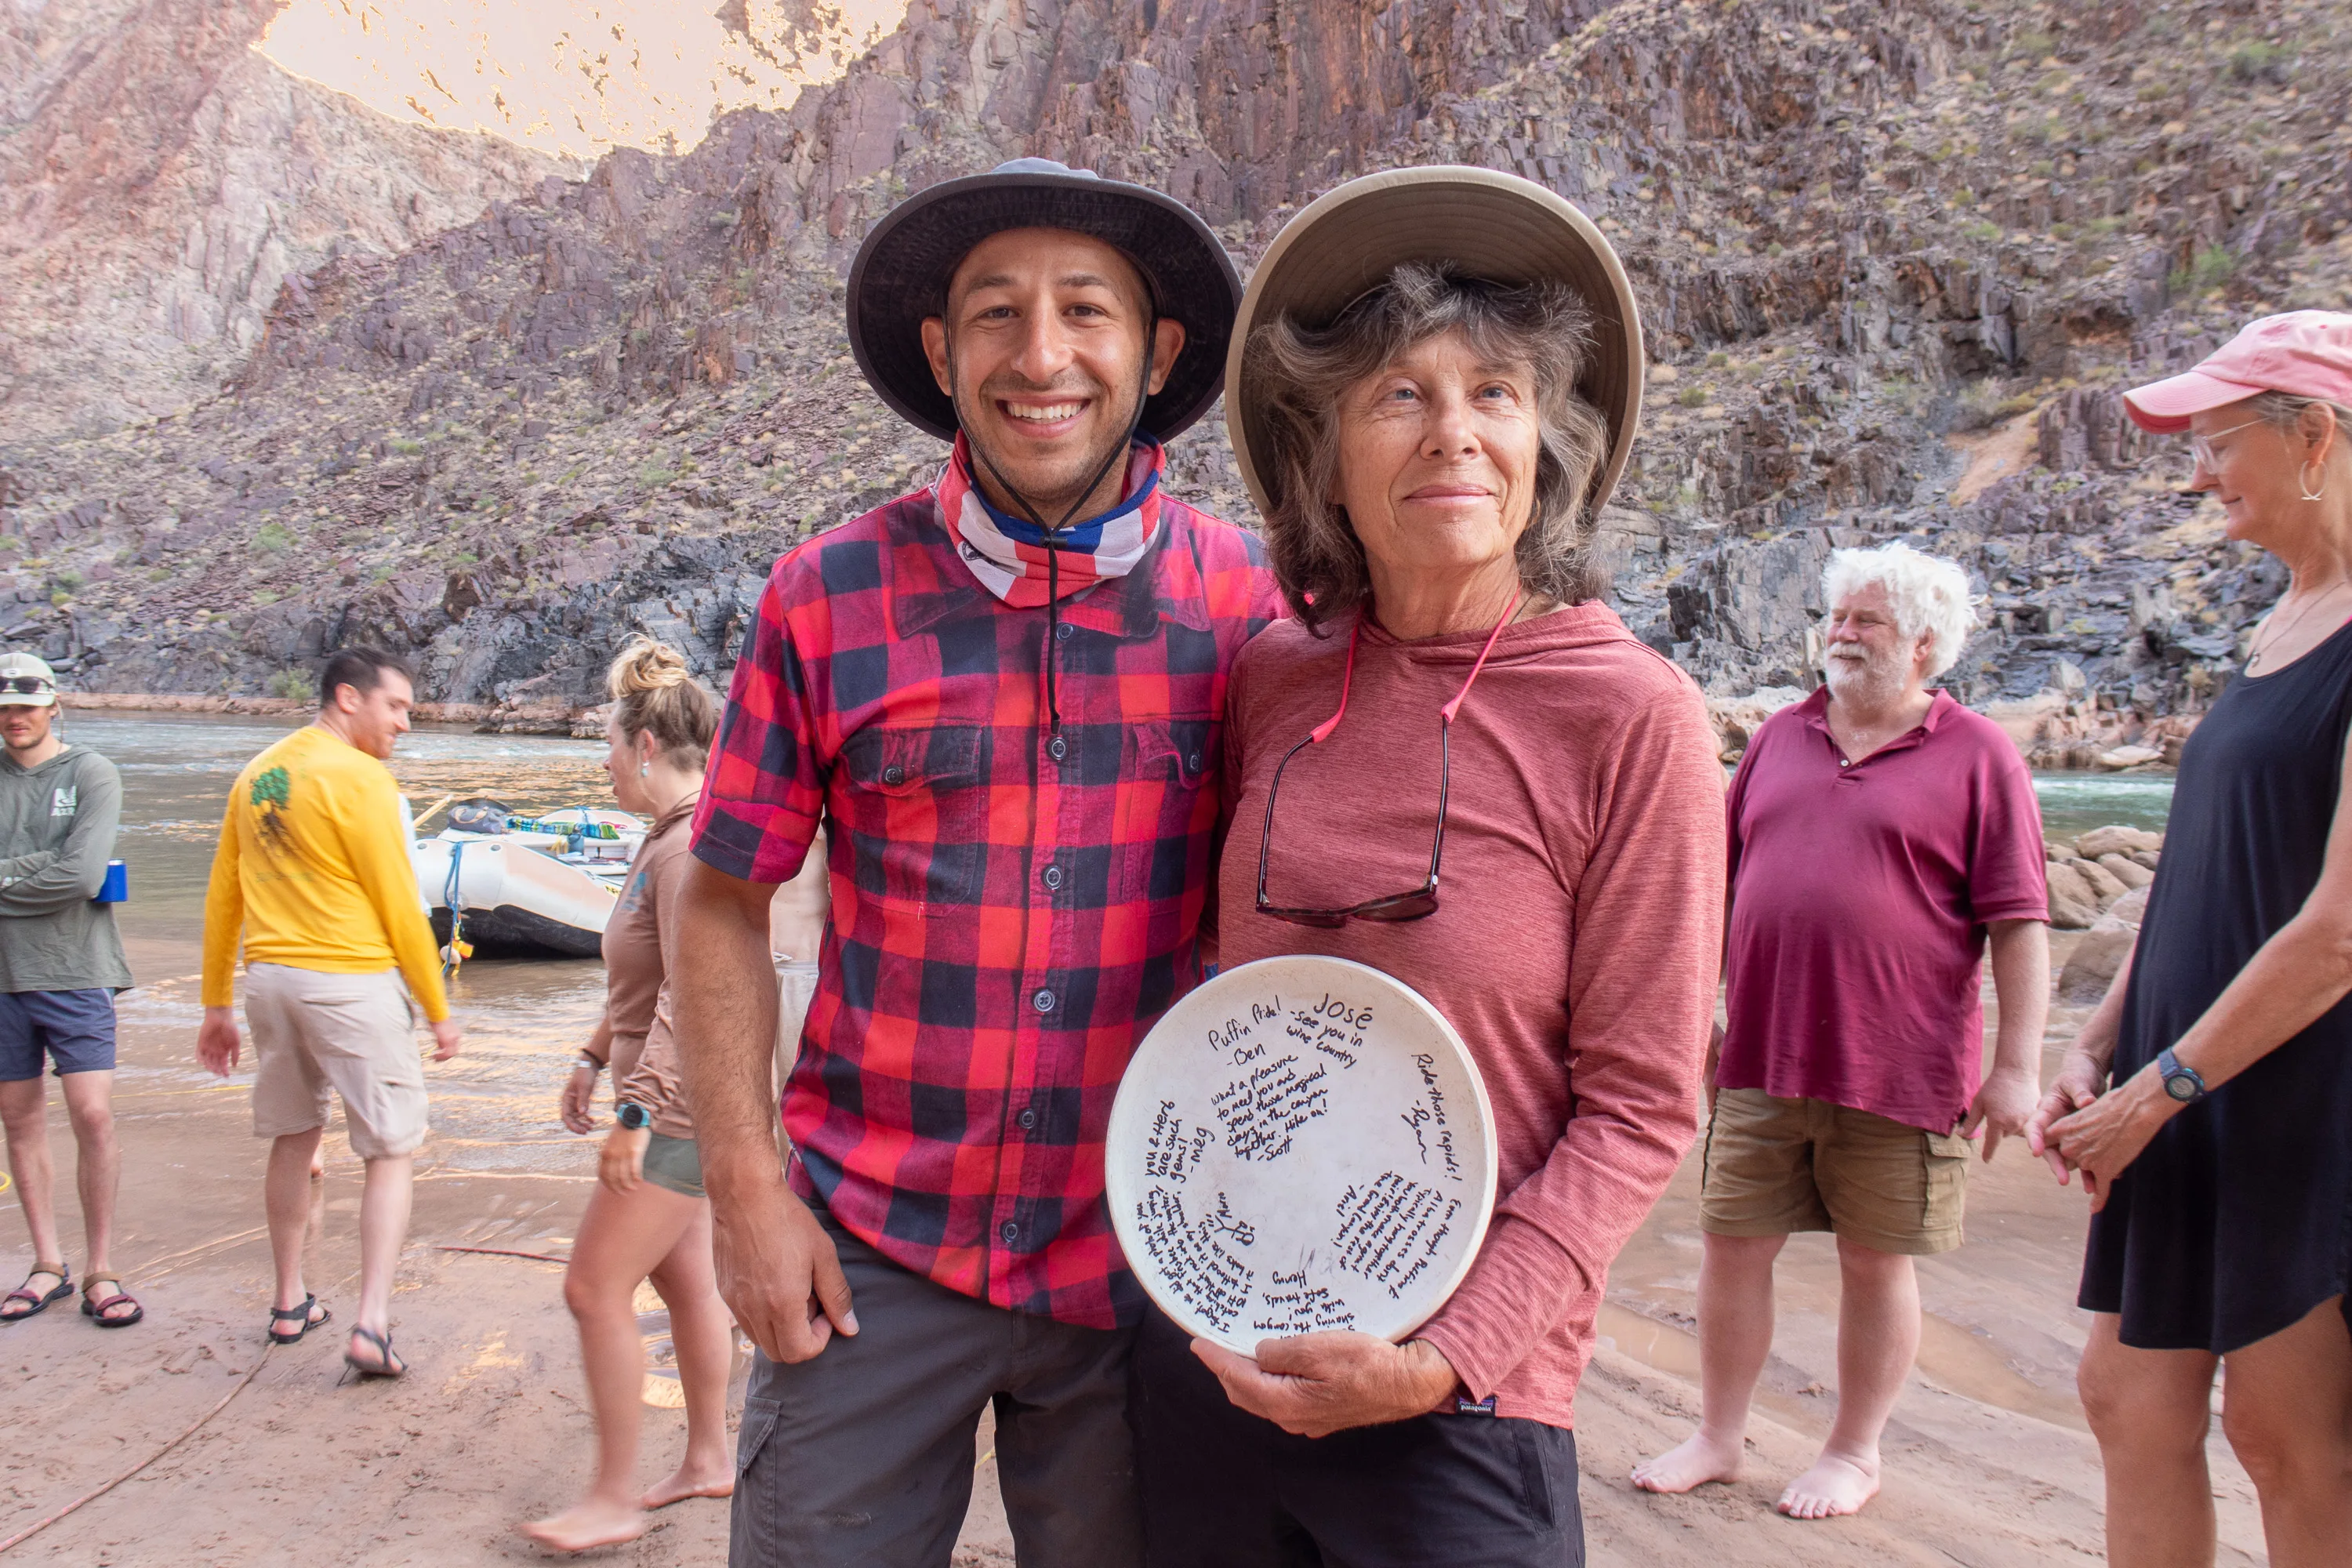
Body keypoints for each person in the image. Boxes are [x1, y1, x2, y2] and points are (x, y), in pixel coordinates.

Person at [670, 158, 1280, 1567]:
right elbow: (721, 900)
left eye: (1086, 310)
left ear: (1158, 354)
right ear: (944, 354)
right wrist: (744, 1189)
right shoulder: (825, 595)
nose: (1041, 356)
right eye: (997, 313)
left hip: (1151, 1263)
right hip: (872, 1252)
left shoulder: (1248, 606)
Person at [1131, 166, 1724, 1566]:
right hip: (1215, 1346)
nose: (1453, 432)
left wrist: (1444, 1356)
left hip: (1465, 1403)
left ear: (1545, 446)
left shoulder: (1634, 717)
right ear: (1327, 454)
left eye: (1494, 394)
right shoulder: (1272, 678)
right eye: (1399, 395)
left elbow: (1643, 1107)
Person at [1632, 541, 2051, 1518]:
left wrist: (2018, 1069)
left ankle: (1854, 1451)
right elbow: (1716, 887)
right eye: (1839, 615)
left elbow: (2021, 921)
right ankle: (1719, 1435)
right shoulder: (1781, 736)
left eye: (1867, 620)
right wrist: (1695, 1012)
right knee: (1732, 1242)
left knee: (1875, 1258)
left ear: (1924, 642)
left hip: (1902, 1063)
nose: (1842, 633)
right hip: (1761, 1052)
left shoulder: (1980, 754)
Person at [2029, 311, 2352, 1568]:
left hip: (2295, 1093)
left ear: (2313, 436)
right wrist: (2100, 1042)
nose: (2202, 474)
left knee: (2287, 1436)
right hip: (2181, 1080)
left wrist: (2158, 1089)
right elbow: (2196, 865)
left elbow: (2337, 935)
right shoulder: (2283, 620)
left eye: (2219, 445)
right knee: (2128, 1395)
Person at [521, 638, 734, 1551]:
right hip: (670, 1099)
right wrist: (590, 1052)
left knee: (593, 1285)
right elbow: (641, 983)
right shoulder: (661, 840)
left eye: (608, 743)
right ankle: (711, 1456)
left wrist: (636, 1114)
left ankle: (611, 1495)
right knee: (686, 1279)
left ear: (645, 745)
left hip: (676, 1112)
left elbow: (696, 997)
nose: (603, 761)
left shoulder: (684, 850)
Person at [196, 646, 460, 1377]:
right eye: (395, 706)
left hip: (270, 982)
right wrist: (437, 1007)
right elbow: (399, 904)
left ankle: (289, 1302)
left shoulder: (257, 775)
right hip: (349, 981)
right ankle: (371, 1323)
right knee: (390, 1149)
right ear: (349, 698)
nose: (404, 723)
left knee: (294, 1135)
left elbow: (224, 895)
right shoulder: (362, 778)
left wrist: (216, 1003)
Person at [0, 653, 140, 1329]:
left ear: (53, 706)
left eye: (26, 706)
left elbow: (83, 876)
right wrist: (41, 869)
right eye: (5, 707)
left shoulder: (90, 772)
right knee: (18, 1118)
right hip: (4, 975)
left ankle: (101, 1269)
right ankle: (46, 1263)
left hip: (78, 968)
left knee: (92, 1115)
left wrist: (24, 872)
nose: (15, 718)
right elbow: (61, 872)